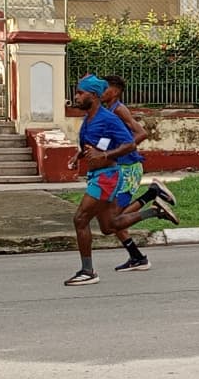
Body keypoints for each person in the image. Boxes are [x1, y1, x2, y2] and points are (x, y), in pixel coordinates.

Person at [64, 75, 179, 287]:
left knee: (80, 219)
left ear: (94, 95)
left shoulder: (109, 118)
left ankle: (87, 271)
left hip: (108, 177)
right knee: (109, 226)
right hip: (97, 176)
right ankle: (155, 211)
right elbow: (93, 145)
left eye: (81, 93)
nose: (76, 97)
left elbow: (130, 144)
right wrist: (78, 156)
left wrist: (105, 156)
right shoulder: (89, 118)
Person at [100, 74, 178, 272]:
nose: (100, 91)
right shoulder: (108, 109)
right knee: (112, 221)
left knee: (113, 221)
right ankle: (137, 257)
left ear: (115, 91)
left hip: (128, 168)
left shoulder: (119, 109)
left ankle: (153, 205)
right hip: (117, 168)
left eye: (104, 88)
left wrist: (122, 150)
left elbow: (141, 133)